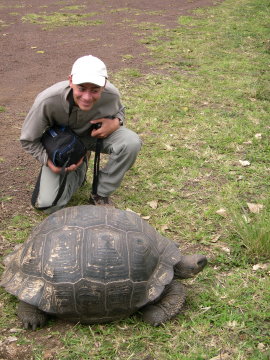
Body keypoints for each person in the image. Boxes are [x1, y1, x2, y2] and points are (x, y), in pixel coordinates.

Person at [20, 55, 142, 213]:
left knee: (131, 142)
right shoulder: (47, 100)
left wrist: (116, 122)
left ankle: (101, 193)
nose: (87, 97)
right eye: (81, 88)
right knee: (48, 206)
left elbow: (120, 110)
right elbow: (28, 140)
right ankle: (79, 167)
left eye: (95, 90)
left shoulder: (112, 95)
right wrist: (48, 161)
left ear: (104, 85)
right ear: (70, 81)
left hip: (93, 137)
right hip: (64, 145)